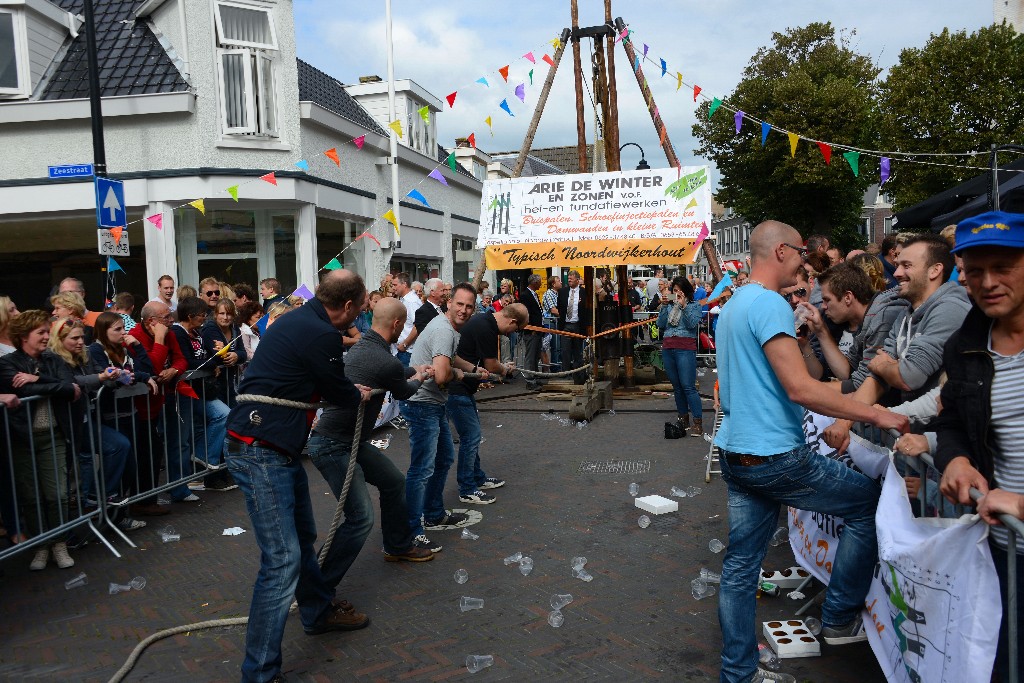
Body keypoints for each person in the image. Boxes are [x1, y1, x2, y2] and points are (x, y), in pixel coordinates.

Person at [713, 221, 907, 683]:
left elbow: (773, 375)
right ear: (781, 251)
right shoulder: (767, 304)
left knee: (740, 569)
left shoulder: (737, 302)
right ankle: (839, 619)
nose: (806, 262)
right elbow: (801, 389)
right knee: (866, 503)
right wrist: (877, 415)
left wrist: (802, 342)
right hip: (775, 457)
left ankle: (737, 674)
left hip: (738, 455)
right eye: (801, 252)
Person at [224, 269, 374, 683]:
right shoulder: (320, 333)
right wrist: (354, 392)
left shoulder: (295, 319)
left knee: (302, 538)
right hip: (260, 450)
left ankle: (317, 611)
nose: (358, 317)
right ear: (346, 306)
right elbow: (336, 387)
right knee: (283, 559)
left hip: (274, 447)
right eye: (359, 309)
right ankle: (259, 673)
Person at [933, 211, 1024, 682]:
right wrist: (957, 460)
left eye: (1003, 266)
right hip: (1004, 554)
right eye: (974, 270)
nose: (988, 282)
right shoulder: (965, 345)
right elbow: (951, 421)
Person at [306, 297, 435, 574]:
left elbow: (390, 372)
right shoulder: (382, 358)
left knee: (394, 483)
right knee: (361, 518)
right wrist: (421, 378)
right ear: (398, 324)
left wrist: (414, 369)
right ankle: (318, 588)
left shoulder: (365, 347)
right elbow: (403, 391)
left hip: (348, 441)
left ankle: (397, 547)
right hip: (332, 445)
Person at [824, 234, 972, 453]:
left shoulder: (949, 309)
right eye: (898, 264)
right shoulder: (906, 313)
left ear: (935, 270)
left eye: (906, 265)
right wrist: (844, 422)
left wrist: (884, 366)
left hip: (939, 445)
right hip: (909, 439)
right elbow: (875, 378)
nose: (896, 273)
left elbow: (909, 377)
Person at [0, 310, 83, 571]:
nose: (47, 337)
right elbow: (21, 389)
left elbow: (71, 388)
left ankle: (58, 543)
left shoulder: (53, 359)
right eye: (41, 333)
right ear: (24, 336)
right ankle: (40, 545)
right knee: (32, 496)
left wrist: (38, 378)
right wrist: (50, 385)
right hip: (22, 438)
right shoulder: (8, 362)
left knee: (57, 493)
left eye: (48, 332)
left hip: (53, 436)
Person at [402, 282, 478, 547]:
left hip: (432, 404)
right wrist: (456, 373)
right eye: (459, 304)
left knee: (444, 458)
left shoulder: (448, 329)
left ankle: (433, 514)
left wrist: (475, 369)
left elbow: (449, 359)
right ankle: (411, 531)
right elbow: (444, 374)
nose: (464, 310)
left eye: (469, 306)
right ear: (449, 303)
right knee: (421, 469)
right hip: (421, 404)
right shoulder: (445, 331)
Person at [49, 318, 132, 513]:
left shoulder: (84, 353)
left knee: (120, 445)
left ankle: (97, 495)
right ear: (60, 340)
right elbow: (70, 382)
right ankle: (66, 531)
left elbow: (99, 375)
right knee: (65, 478)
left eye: (82, 337)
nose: (80, 342)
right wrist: (102, 377)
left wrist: (114, 376)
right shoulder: (54, 358)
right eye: (74, 338)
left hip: (85, 419)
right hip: (66, 423)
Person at [87, 312, 157, 531]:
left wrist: (137, 346)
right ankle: (106, 514)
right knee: (117, 466)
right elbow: (116, 378)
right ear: (103, 331)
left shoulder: (125, 349)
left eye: (123, 328)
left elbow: (145, 369)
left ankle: (118, 515)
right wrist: (136, 376)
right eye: (117, 329)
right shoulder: (96, 350)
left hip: (130, 415)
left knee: (129, 468)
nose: (123, 333)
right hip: (110, 417)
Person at [449, 303, 523, 506]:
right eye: (514, 330)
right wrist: (504, 370)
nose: (510, 334)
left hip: (463, 388)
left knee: (472, 435)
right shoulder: (487, 327)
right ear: (512, 321)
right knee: (471, 437)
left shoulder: (485, 321)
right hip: (457, 390)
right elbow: (491, 365)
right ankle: (467, 488)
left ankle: (477, 478)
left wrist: (497, 367)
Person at [170, 297, 231, 494]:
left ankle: (203, 461)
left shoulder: (197, 332)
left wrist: (214, 357)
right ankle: (196, 470)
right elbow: (188, 362)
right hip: (187, 392)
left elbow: (205, 356)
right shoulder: (178, 333)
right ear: (190, 316)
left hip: (202, 390)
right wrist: (212, 364)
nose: (205, 318)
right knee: (187, 436)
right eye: (202, 314)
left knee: (222, 415)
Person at [128, 302, 184, 516]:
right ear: (151, 321)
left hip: (155, 404)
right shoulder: (135, 336)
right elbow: (150, 367)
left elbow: (181, 358)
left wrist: (174, 370)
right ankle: (139, 501)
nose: (171, 321)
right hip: (136, 407)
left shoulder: (169, 333)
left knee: (153, 450)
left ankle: (146, 499)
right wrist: (159, 340)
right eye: (166, 317)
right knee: (142, 453)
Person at [657, 276, 704, 436]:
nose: (677, 294)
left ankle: (697, 422)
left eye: (679, 291)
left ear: (687, 292)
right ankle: (683, 418)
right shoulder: (669, 305)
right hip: (668, 346)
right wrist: (664, 306)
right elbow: (660, 324)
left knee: (688, 386)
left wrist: (684, 307)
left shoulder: (694, 306)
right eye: (674, 291)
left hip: (685, 347)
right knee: (677, 387)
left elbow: (692, 324)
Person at [201, 298, 247, 406]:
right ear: (216, 314)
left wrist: (236, 355)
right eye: (222, 313)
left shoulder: (235, 328)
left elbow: (243, 354)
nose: (225, 317)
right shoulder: (210, 329)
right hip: (214, 383)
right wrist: (231, 352)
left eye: (229, 314)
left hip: (231, 383)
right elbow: (218, 356)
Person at [557, 270, 591, 384]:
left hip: (578, 325)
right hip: (566, 325)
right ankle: (565, 373)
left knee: (578, 351)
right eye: (568, 279)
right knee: (565, 350)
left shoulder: (584, 292)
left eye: (571, 279)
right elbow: (559, 306)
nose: (569, 281)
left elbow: (587, 309)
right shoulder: (562, 292)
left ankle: (578, 373)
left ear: (578, 280)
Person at [520, 274, 543, 389]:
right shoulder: (525, 295)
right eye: (539, 282)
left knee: (536, 355)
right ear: (534, 282)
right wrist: (530, 328)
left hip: (538, 330)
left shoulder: (534, 294)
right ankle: (529, 380)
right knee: (530, 355)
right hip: (531, 331)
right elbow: (525, 313)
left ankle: (535, 376)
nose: (541, 284)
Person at [392, 272, 421, 367]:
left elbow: (418, 325)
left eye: (395, 285)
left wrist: (405, 344)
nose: (393, 288)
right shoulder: (404, 299)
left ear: (404, 284)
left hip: (407, 351)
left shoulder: (412, 301)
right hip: (400, 350)